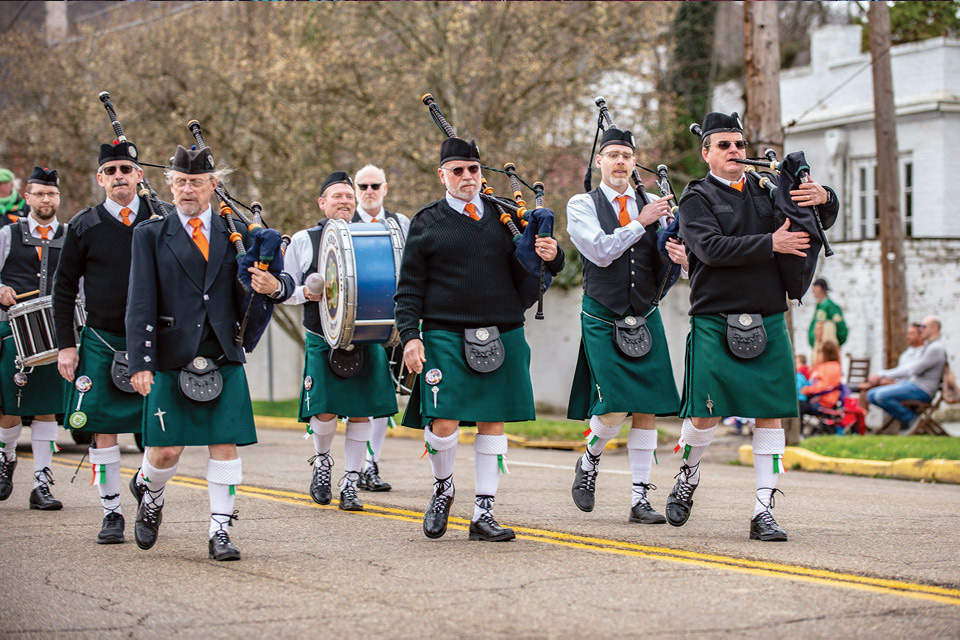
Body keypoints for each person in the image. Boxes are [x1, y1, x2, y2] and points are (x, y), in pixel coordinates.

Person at [671, 111, 839, 542]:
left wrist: (825, 197)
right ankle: (688, 474)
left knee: (770, 417)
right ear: (706, 152)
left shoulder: (766, 191)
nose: (734, 152)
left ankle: (763, 510)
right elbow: (708, 248)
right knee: (705, 415)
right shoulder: (696, 198)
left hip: (768, 314)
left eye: (739, 144)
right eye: (724, 145)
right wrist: (771, 243)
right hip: (714, 316)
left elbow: (809, 217)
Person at [126, 145, 293, 560]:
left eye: (197, 182)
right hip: (170, 354)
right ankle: (151, 492)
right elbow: (140, 300)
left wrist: (276, 287)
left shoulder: (237, 233)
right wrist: (140, 362)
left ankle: (220, 529)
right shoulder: (149, 234)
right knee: (166, 451)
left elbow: (278, 277)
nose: (187, 189)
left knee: (224, 444)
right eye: (180, 181)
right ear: (169, 185)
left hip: (221, 352)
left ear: (214, 186)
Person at [395, 137, 564, 542]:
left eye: (473, 169)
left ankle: (483, 512)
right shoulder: (427, 222)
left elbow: (540, 266)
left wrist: (552, 253)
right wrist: (410, 338)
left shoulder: (506, 216)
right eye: (458, 170)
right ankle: (443, 488)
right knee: (444, 418)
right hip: (444, 332)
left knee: (493, 420)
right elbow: (409, 288)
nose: (467, 177)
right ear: (442, 176)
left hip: (502, 329)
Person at [565, 127, 686, 524]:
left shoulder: (653, 201)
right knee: (614, 404)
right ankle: (591, 458)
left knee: (647, 408)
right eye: (613, 154)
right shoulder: (581, 203)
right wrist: (642, 221)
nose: (620, 162)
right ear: (599, 161)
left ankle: (639, 498)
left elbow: (667, 261)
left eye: (627, 156)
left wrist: (677, 248)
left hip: (645, 313)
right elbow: (600, 251)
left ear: (635, 163)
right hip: (602, 312)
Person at [52, 140, 159, 544]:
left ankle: (149, 488)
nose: (119, 177)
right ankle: (111, 512)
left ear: (139, 175)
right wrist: (67, 344)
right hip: (101, 338)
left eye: (126, 169)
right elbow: (63, 289)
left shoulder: (159, 219)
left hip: (152, 340)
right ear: (100, 178)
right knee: (102, 431)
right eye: (111, 171)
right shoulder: (85, 225)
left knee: (160, 429)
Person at [282, 171, 398, 512]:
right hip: (323, 336)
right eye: (337, 196)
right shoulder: (305, 240)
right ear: (322, 202)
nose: (345, 201)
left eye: (349, 196)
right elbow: (283, 288)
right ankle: (321, 463)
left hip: (367, 337)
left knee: (362, 414)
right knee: (325, 410)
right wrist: (307, 291)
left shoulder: (375, 237)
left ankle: (350, 482)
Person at [0, 167, 67, 510]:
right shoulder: (9, 233)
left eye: (51, 194)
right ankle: (7, 456)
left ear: (58, 198)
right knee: (9, 407)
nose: (46, 200)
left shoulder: (70, 237)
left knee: (47, 410)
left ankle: (41, 483)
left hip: (55, 335)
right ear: (27, 198)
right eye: (39, 194)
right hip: (12, 332)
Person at [352, 164, 411, 493]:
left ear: (385, 188)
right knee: (353, 400)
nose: (369, 192)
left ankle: (369, 465)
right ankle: (347, 467)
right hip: (354, 322)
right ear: (356, 188)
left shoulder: (400, 223)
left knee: (380, 397)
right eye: (363, 186)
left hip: (391, 319)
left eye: (375, 186)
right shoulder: (346, 223)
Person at [866, 316, 947, 433]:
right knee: (871, 394)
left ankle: (910, 418)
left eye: (924, 327)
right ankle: (909, 419)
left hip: (922, 390)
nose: (921, 330)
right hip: (911, 385)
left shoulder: (935, 348)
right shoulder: (929, 347)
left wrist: (883, 374)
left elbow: (914, 370)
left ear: (935, 328)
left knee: (881, 396)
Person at [857, 323, 924, 407]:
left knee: (871, 390)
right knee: (867, 389)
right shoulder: (908, 352)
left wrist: (881, 375)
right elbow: (900, 370)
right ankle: (860, 416)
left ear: (921, 336)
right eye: (908, 333)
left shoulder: (922, 353)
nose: (908, 336)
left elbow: (908, 371)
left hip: (911, 386)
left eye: (912, 334)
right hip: (900, 383)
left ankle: (911, 418)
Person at [808, 277, 847, 365]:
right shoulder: (820, 306)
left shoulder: (830, 307)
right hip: (819, 347)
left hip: (827, 350)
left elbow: (840, 327)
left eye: (814, 288)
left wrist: (833, 345)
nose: (813, 291)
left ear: (819, 288)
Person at [799, 340, 843, 416]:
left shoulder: (826, 367)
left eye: (820, 351)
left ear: (825, 353)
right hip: (830, 401)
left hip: (823, 403)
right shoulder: (836, 365)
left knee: (799, 406)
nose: (818, 354)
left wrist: (806, 390)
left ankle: (798, 428)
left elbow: (822, 387)